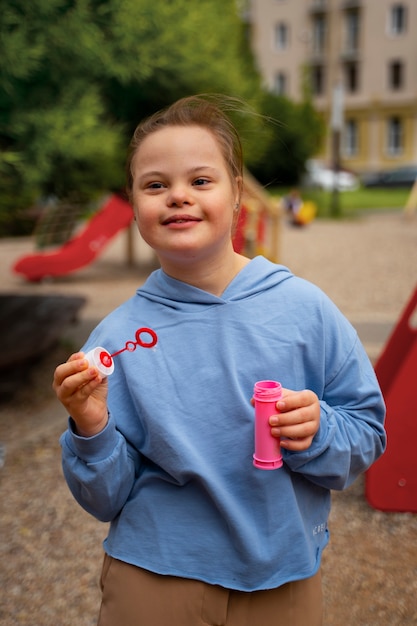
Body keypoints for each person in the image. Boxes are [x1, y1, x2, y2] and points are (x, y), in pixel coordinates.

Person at [53, 94, 386, 626]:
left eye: (200, 181)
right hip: (153, 576)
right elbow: (105, 499)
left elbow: (366, 433)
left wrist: (318, 430)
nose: (178, 196)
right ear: (135, 205)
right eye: (155, 184)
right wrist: (91, 428)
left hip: (284, 576)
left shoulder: (305, 309)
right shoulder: (116, 338)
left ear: (237, 196)